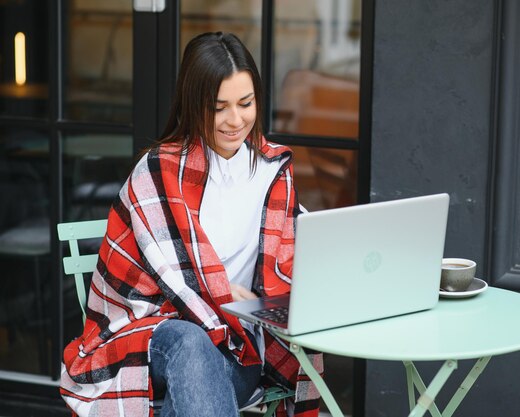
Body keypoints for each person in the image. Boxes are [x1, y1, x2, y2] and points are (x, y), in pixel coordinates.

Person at [59, 32, 323, 417]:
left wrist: (262, 304)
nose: (236, 120)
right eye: (219, 108)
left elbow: (298, 265)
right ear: (193, 104)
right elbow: (157, 291)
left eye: (245, 103)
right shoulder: (158, 172)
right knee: (190, 340)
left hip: (240, 350)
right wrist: (221, 299)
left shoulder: (273, 173)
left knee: (199, 366)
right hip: (149, 342)